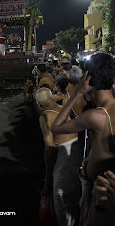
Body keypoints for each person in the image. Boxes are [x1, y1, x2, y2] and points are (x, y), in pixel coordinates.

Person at [51, 53, 115, 226]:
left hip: (101, 190)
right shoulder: (108, 106)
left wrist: (77, 93)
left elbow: (55, 127)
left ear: (88, 78)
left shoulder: (96, 116)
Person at [35, 87, 83, 226]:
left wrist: (48, 178)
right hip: (76, 154)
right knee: (73, 200)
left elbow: (49, 149)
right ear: (53, 97)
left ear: (38, 104)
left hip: (62, 160)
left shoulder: (45, 116)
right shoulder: (63, 108)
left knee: (62, 204)